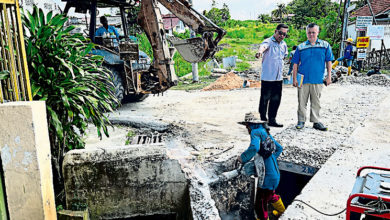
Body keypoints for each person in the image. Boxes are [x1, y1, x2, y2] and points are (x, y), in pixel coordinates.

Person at [236, 112, 284, 220]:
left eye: (247, 126)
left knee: (260, 205)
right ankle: (282, 212)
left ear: (249, 125)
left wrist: (242, 158)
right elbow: (279, 148)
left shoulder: (255, 132)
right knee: (270, 196)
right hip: (275, 174)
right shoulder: (265, 132)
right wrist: (269, 160)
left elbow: (254, 148)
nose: (247, 129)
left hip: (268, 177)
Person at [292, 23, 334, 131]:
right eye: (309, 32)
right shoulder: (301, 47)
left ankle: (316, 121)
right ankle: (301, 121)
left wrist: (329, 76)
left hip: (318, 78)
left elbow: (329, 61)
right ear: (306, 33)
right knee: (301, 101)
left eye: (313, 32)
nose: (311, 34)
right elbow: (295, 63)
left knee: (316, 101)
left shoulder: (325, 45)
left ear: (318, 33)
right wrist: (294, 78)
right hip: (302, 79)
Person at [255, 23, 289, 127]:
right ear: (275, 31)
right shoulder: (268, 41)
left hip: (278, 78)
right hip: (268, 77)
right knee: (265, 99)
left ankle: (272, 120)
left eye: (284, 34)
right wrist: (260, 52)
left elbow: (284, 57)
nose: (282, 36)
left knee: (276, 100)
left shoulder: (283, 44)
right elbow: (263, 46)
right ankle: (263, 121)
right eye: (280, 33)